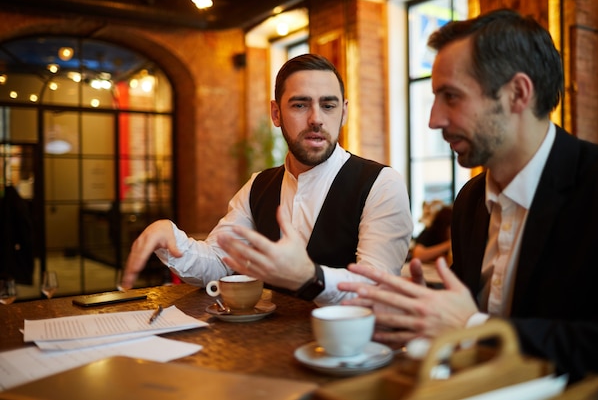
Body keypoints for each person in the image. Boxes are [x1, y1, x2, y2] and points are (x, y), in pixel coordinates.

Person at [338, 9, 598, 396]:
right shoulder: (471, 200)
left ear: (518, 94)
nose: (434, 119)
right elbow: (471, 306)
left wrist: (471, 327)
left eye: (451, 96)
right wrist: (418, 310)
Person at [120, 53, 413, 305]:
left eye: (328, 105)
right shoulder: (259, 185)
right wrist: (170, 238)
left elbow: (378, 289)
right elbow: (220, 262)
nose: (316, 119)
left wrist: (310, 277)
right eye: (300, 105)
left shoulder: (381, 184)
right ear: (276, 113)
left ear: (344, 111)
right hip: (269, 349)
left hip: (349, 357)